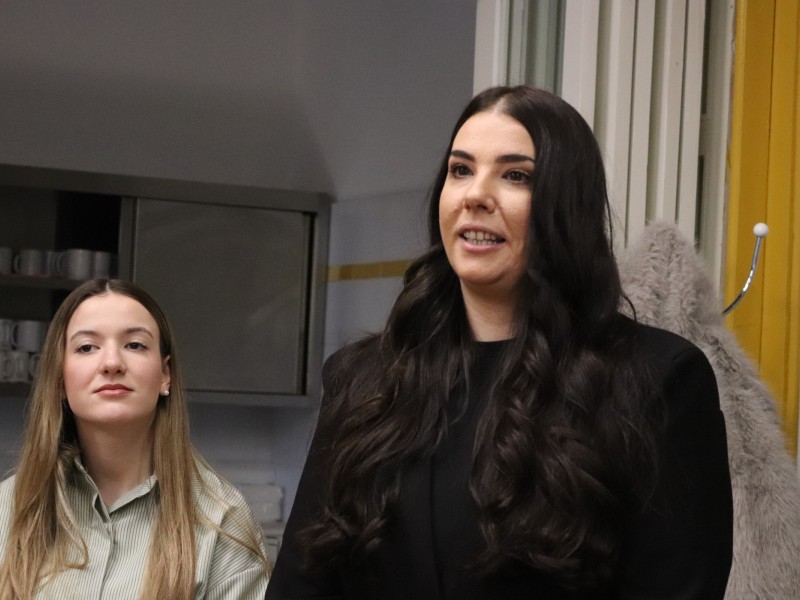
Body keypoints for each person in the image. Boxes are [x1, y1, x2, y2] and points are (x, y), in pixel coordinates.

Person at [266, 86, 733, 599]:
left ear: (566, 206)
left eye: (516, 176)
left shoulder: (659, 379)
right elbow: (300, 583)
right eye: (461, 170)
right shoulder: (362, 380)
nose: (475, 195)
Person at [0, 279, 269, 599]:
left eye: (135, 345)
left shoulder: (223, 522)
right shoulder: (9, 507)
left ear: (165, 375)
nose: (112, 363)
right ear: (59, 379)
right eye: (87, 347)